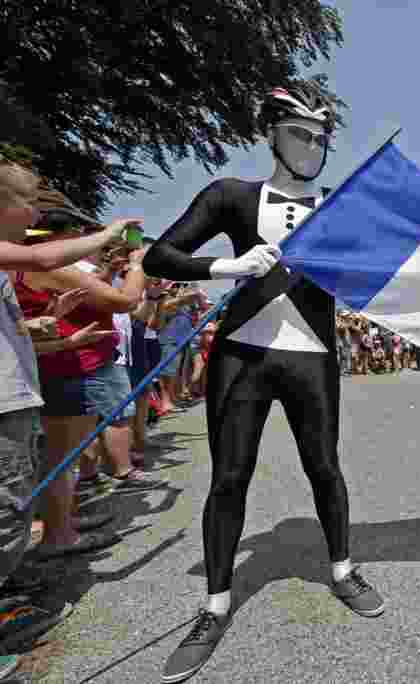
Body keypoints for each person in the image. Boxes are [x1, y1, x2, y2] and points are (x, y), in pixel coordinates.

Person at [142, 83, 384, 684]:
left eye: (321, 137)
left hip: (312, 358)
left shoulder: (339, 207)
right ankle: (214, 606)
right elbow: (158, 256)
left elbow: (378, 272)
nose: (312, 146)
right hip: (241, 356)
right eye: (300, 133)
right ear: (271, 134)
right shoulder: (231, 195)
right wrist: (228, 265)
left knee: (324, 468)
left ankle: (342, 569)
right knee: (229, 477)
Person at [0, 159, 139, 654]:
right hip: (10, 399)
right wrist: (111, 235)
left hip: (19, 392)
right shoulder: (24, 257)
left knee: (15, 500)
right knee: (10, 505)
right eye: (29, 198)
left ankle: (11, 592)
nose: (35, 209)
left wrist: (43, 329)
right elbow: (44, 263)